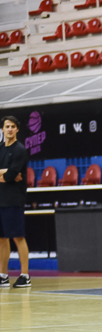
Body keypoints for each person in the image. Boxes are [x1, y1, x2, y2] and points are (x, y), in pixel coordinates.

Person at [0, 116, 31, 288]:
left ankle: (25, 276)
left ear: (17, 129)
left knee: (18, 237)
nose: (10, 129)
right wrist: (6, 173)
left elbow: (12, 175)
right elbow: (9, 174)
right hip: (0, 198)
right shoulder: (0, 148)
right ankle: (3, 276)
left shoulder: (20, 150)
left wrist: (8, 174)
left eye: (13, 126)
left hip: (14, 199)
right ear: (2, 129)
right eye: (7, 126)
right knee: (1, 239)